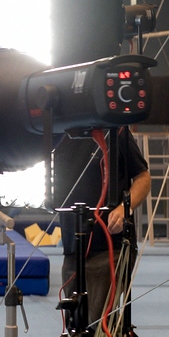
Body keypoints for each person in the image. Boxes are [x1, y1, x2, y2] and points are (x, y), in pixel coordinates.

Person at [54, 128, 151, 323]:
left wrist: (125, 208)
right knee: (75, 325)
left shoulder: (116, 130)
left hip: (109, 246)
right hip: (73, 249)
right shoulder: (58, 131)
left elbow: (143, 178)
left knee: (101, 324)